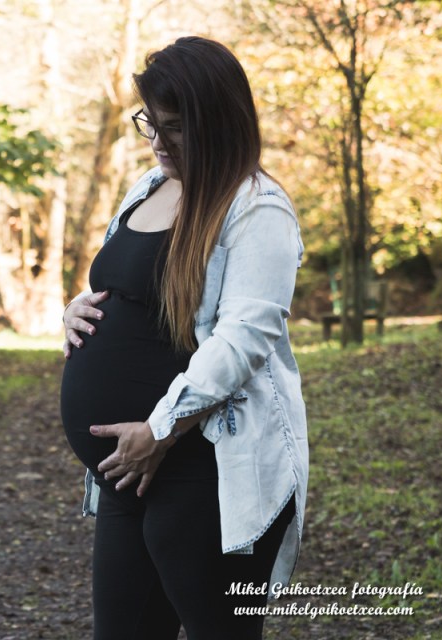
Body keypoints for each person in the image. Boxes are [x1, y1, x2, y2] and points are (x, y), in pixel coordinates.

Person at [59, 36, 308, 640]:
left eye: (176, 127)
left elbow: (243, 338)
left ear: (220, 121)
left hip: (203, 468)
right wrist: (76, 311)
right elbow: (127, 290)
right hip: (127, 473)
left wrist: (160, 429)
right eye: (151, 122)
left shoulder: (257, 208)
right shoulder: (149, 186)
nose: (158, 141)